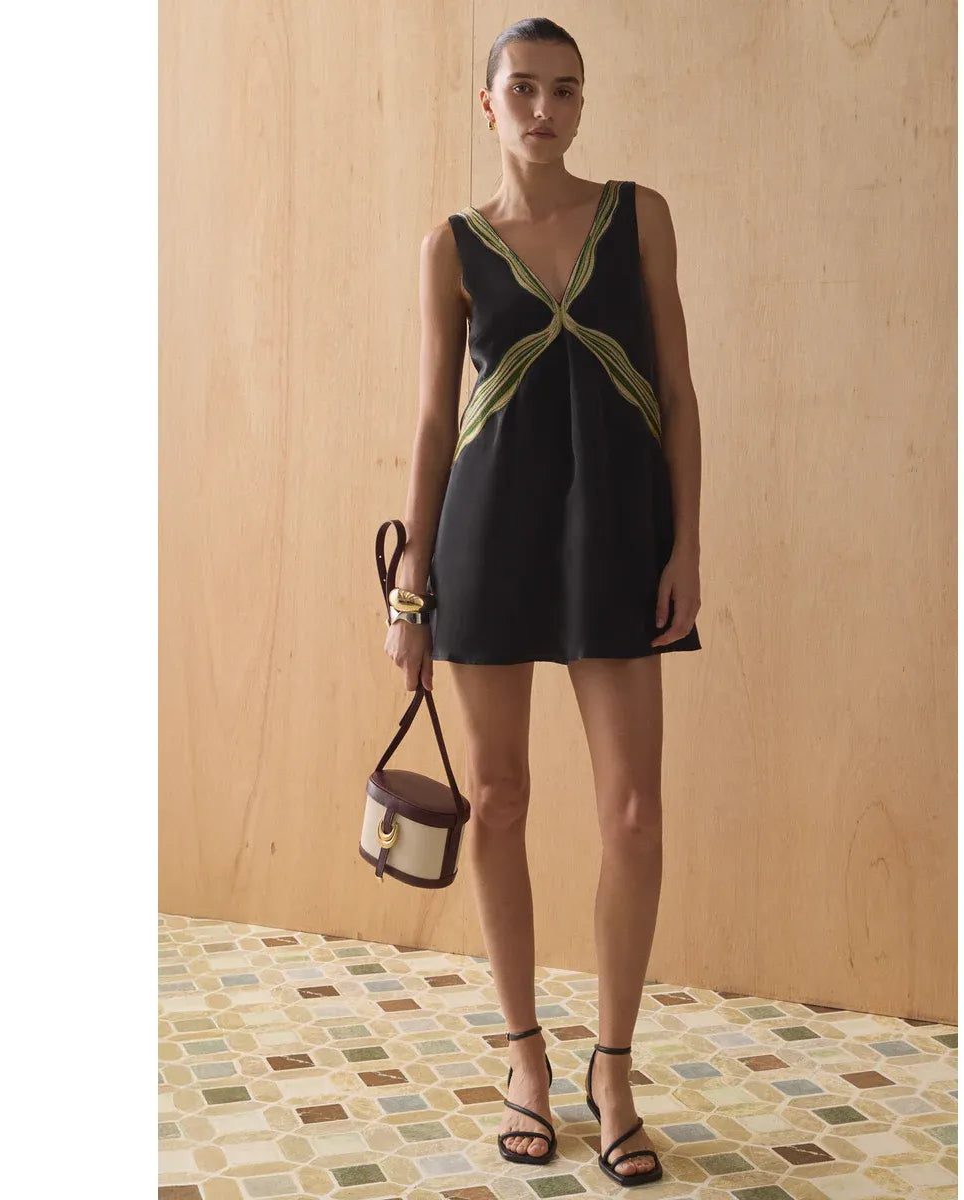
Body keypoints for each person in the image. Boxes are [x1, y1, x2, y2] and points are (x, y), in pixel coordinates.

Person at [383, 17, 703, 1187]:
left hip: (616, 538)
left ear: (582, 104)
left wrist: (688, 544)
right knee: (501, 797)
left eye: (565, 90)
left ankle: (612, 1070)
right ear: (489, 103)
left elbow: (677, 390)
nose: (544, 109)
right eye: (522, 87)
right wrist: (410, 588)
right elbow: (434, 423)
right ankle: (526, 1059)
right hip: (489, 538)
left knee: (634, 815)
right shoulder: (453, 246)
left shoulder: (639, 215)